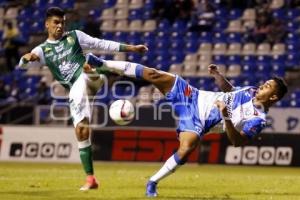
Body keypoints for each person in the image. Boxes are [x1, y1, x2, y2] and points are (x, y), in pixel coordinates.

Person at [85, 54, 288, 197]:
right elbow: (232, 91)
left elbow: (237, 141)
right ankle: (103, 64)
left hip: (198, 121)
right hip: (194, 95)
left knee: (187, 147)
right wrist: (218, 76)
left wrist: (225, 116)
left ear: (274, 96)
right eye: (265, 83)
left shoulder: (258, 119)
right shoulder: (251, 90)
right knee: (155, 74)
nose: (263, 85)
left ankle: (152, 182)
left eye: (268, 86)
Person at [18, 7, 148, 191]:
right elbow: (22, 67)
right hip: (78, 90)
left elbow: (102, 44)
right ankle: (91, 179)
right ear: (47, 24)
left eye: (62, 22)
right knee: (81, 130)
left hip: (90, 79)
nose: (60, 26)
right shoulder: (42, 50)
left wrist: (131, 48)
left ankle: (96, 69)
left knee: (88, 68)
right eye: (56, 22)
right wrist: (26, 59)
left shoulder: (75, 36)